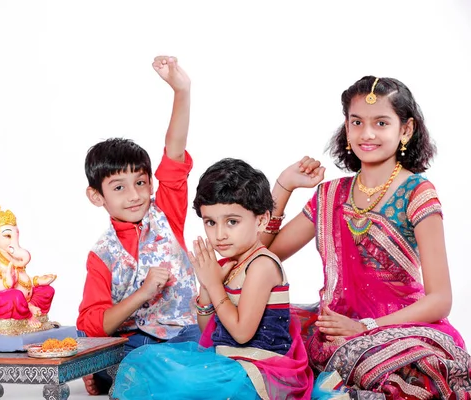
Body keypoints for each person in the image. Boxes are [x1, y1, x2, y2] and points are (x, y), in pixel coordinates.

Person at [264, 76, 471, 398]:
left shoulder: (417, 193)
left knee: (408, 379)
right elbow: (265, 256)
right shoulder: (330, 194)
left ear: (406, 130)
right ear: (346, 128)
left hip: (402, 329)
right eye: (357, 122)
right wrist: (283, 186)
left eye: (381, 122)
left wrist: (367, 327)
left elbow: (440, 300)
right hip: (334, 326)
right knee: (257, 332)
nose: (367, 133)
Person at [110, 158, 315, 400]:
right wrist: (206, 288)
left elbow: (241, 334)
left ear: (261, 220)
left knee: (182, 383)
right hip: (228, 359)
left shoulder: (262, 264)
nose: (219, 235)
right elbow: (210, 332)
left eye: (232, 222)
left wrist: (214, 284)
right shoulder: (230, 264)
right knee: (149, 363)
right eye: (210, 222)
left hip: (262, 370)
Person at [76, 55, 200, 395]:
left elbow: (174, 152)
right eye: (119, 187)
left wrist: (181, 89)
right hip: (134, 341)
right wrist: (142, 293)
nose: (134, 195)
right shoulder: (101, 255)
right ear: (96, 196)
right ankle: (114, 374)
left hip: (184, 331)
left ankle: (120, 378)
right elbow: (93, 324)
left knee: (199, 361)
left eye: (141, 183)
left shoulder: (166, 215)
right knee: (96, 345)